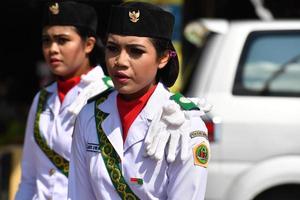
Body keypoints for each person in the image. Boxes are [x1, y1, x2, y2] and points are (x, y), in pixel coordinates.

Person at [68, 1, 210, 200]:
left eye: (136, 51)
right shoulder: (89, 115)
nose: (120, 61)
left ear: (163, 58)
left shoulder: (184, 124)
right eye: (112, 48)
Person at [15, 1, 111, 199]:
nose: (52, 49)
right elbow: (29, 179)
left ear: (89, 44)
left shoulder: (107, 96)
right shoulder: (42, 99)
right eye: (46, 40)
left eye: (62, 40)